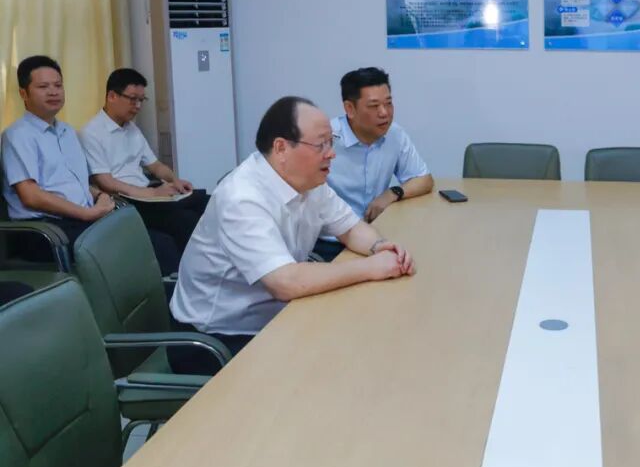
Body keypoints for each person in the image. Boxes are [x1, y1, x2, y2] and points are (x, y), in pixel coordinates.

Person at [169, 96, 416, 373]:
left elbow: (349, 227)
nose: (331, 154)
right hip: (217, 340)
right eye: (321, 145)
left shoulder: (309, 181)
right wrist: (371, 268)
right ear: (281, 148)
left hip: (276, 316)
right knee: (334, 368)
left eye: (331, 142)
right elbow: (285, 282)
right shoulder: (241, 197)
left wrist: (380, 246)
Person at [1, 56, 179, 272]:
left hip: (81, 219)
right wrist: (85, 213)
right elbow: (31, 195)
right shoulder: (18, 135)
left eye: (58, 85)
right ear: (24, 94)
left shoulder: (67, 132)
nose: (53, 92)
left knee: (161, 239)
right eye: (43, 87)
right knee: (152, 247)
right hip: (46, 230)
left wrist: (100, 195)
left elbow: (78, 183)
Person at [79, 67, 209, 253]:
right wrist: (151, 193)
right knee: (185, 220)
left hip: (146, 194)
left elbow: (155, 166)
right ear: (112, 96)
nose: (138, 106)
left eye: (141, 100)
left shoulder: (131, 129)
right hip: (125, 201)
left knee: (206, 202)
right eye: (133, 99)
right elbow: (105, 182)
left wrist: (175, 180)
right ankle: (192, 268)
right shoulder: (91, 133)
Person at [317, 67, 432, 259]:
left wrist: (392, 193)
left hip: (375, 236)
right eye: (374, 106)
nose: (384, 113)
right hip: (329, 243)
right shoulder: (324, 140)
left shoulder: (394, 134)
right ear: (349, 109)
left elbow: (424, 179)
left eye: (388, 103)